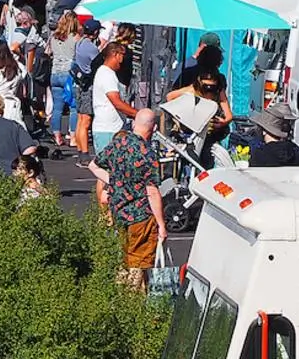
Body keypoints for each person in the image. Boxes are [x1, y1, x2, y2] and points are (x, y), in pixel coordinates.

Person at [89, 109, 167, 291]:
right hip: (141, 215)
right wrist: (162, 224)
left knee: (125, 258)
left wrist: (117, 182)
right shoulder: (148, 154)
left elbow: (93, 165)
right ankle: (131, 303)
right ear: (154, 128)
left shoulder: (119, 143)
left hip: (120, 212)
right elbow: (152, 192)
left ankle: (120, 296)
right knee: (138, 262)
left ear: (133, 124)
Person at [166, 68, 233, 169]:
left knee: (206, 159)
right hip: (191, 130)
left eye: (212, 87)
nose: (209, 89)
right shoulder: (193, 89)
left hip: (209, 132)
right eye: (206, 87)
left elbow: (229, 116)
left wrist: (222, 123)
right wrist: (184, 114)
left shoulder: (219, 91)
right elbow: (170, 97)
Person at [92, 42, 137, 153]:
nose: (122, 61)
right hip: (107, 129)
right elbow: (116, 102)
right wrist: (137, 114)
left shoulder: (107, 73)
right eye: (122, 56)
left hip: (110, 128)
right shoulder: (107, 74)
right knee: (107, 167)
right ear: (115, 55)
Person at [46, 11, 79, 147]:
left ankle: (57, 136)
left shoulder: (54, 37)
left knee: (57, 108)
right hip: (68, 74)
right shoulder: (75, 38)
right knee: (73, 107)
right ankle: (72, 137)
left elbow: (47, 52)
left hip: (55, 73)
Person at [73, 19, 102, 167]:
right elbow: (99, 64)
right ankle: (84, 155)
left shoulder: (79, 42)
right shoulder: (92, 48)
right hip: (87, 86)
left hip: (78, 84)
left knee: (80, 119)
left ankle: (80, 151)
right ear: (96, 32)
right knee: (86, 121)